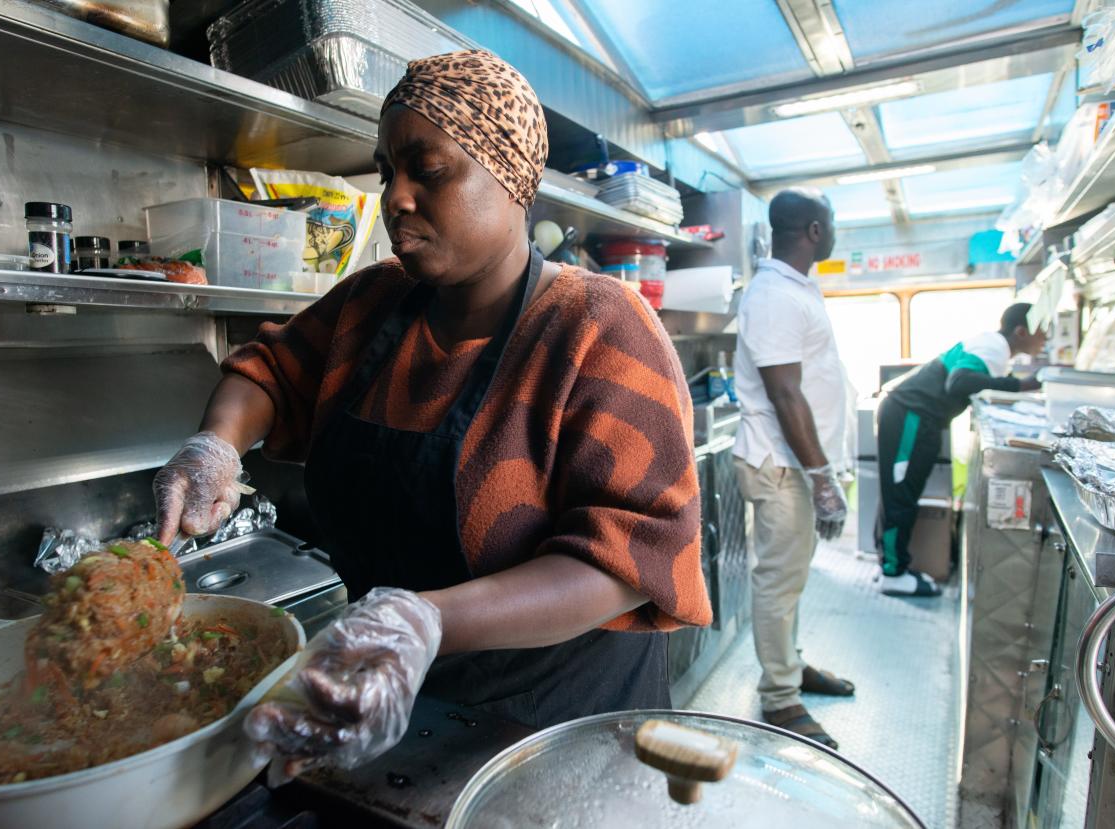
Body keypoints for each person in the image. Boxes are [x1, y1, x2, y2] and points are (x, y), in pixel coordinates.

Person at [152, 50, 711, 779]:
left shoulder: (598, 326)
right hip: (394, 721)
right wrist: (217, 444)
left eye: (429, 168)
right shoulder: (372, 304)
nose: (396, 197)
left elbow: (627, 558)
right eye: (387, 170)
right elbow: (269, 373)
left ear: (510, 175)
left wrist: (427, 621)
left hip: (558, 735)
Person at [730, 188, 854, 750]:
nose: (833, 233)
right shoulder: (774, 295)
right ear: (811, 231)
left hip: (794, 466)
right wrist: (822, 478)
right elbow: (785, 396)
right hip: (779, 465)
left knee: (792, 577)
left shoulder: (796, 286)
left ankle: (791, 666)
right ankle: (780, 698)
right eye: (829, 225)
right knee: (778, 582)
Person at [875, 302, 1047, 596]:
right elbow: (959, 383)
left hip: (917, 418)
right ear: (1021, 331)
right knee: (901, 494)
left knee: (904, 492)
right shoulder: (992, 346)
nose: (1046, 339)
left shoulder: (992, 346)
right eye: (1043, 331)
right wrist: (1020, 386)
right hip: (910, 415)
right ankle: (893, 572)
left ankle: (893, 565)